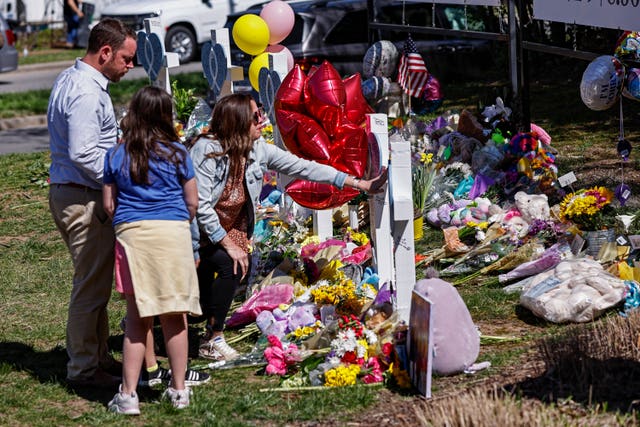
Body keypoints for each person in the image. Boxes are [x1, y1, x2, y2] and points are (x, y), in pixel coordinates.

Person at [189, 93, 388, 361]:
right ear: (237, 122)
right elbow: (200, 206)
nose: (263, 120)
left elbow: (304, 168)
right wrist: (228, 245)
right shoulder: (206, 150)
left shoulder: (258, 149)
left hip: (228, 229)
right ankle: (174, 325)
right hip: (194, 231)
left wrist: (358, 183)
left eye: (261, 112)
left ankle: (209, 336)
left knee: (227, 270)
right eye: (256, 116)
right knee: (214, 278)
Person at [103, 86, 206, 414]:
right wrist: (175, 220)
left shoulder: (117, 153)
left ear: (133, 113)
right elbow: (193, 201)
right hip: (173, 233)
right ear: (165, 115)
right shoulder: (178, 152)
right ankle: (179, 390)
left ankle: (129, 395)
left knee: (137, 317)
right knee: (175, 315)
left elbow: (108, 204)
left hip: (133, 236)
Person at [47, 18, 136, 388]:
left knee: (96, 281)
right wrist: (122, 178)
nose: (129, 66)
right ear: (105, 53)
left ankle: (98, 356)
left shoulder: (74, 78)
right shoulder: (85, 91)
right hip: (83, 198)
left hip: (75, 192)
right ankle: (83, 369)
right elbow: (84, 153)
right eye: (126, 59)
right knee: (90, 287)